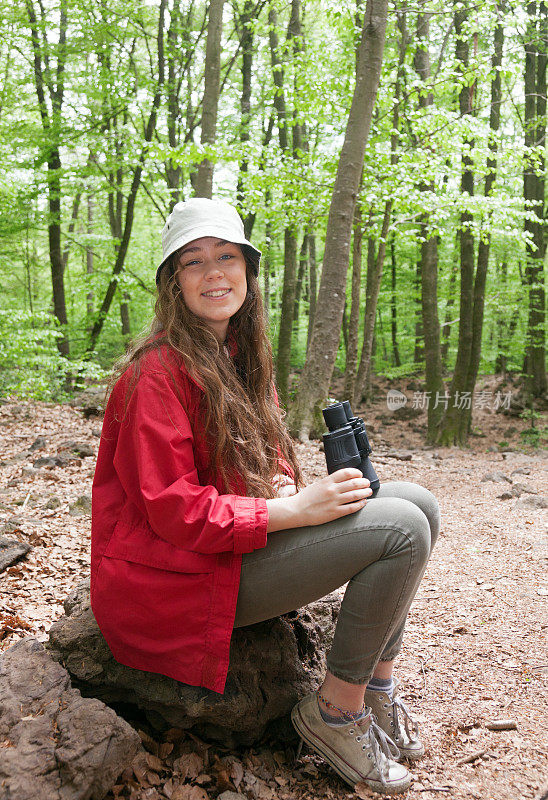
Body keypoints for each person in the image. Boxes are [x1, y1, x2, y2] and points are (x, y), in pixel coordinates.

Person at [91, 198, 440, 796]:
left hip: (223, 548)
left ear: (249, 273)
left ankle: (377, 690)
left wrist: (283, 487)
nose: (214, 273)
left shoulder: (237, 355)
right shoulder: (154, 373)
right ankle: (336, 712)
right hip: (168, 581)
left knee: (419, 503)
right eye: (194, 262)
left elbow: (267, 451)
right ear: (173, 282)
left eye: (227, 257)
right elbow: (174, 510)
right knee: (400, 530)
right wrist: (292, 510)